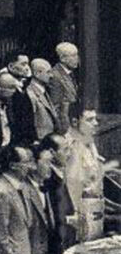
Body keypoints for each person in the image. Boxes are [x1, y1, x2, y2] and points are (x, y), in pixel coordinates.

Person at [60, 107, 121, 241]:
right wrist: (79, 219)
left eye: (95, 119)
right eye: (89, 120)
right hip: (83, 211)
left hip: (95, 206)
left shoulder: (87, 140)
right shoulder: (71, 146)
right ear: (75, 122)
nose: (95, 123)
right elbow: (73, 186)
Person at [14, 58, 60, 143]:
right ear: (37, 73)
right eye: (48, 72)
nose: (51, 76)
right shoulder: (30, 94)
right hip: (40, 143)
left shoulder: (45, 91)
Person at [48, 42, 80, 134]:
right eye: (73, 56)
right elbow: (56, 106)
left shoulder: (70, 73)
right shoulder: (55, 76)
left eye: (77, 55)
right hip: (64, 127)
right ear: (62, 58)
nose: (77, 58)